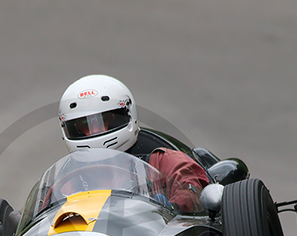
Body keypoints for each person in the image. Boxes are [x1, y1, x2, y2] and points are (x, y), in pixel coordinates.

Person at [58, 74, 209, 212]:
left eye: (106, 120)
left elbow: (193, 192)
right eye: (84, 125)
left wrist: (170, 209)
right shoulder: (67, 180)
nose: (96, 130)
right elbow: (41, 220)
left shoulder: (162, 160)